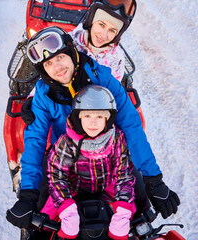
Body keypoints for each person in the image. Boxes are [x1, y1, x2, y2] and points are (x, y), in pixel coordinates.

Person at [6, 26, 180, 231]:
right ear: (44, 70)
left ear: (71, 52)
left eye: (60, 57)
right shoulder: (44, 96)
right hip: (63, 159)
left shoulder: (103, 78)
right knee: (39, 213)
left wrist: (154, 180)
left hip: (109, 154)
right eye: (48, 63)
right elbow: (35, 141)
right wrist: (28, 194)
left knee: (140, 202)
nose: (57, 67)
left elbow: (131, 124)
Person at [41, 85, 136, 239]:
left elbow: (123, 174)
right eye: (87, 116)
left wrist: (123, 211)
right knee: (44, 217)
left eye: (99, 117)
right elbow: (56, 175)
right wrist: (66, 208)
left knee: (133, 214)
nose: (93, 123)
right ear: (79, 117)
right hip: (73, 188)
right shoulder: (67, 142)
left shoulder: (117, 139)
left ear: (108, 118)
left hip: (108, 185)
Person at [69, 0, 137, 81]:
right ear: (91, 22)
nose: (104, 35)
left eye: (112, 30)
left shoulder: (117, 59)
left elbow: (113, 90)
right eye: (101, 25)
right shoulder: (70, 41)